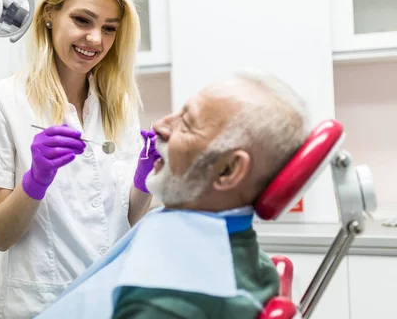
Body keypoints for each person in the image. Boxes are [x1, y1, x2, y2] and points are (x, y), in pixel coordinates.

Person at [0, 0, 159, 319]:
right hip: (42, 307)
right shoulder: (0, 102)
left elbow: (124, 220)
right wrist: (36, 180)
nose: (95, 39)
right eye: (82, 20)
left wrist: (144, 180)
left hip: (110, 301)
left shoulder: (119, 105)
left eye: (110, 28)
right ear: (50, 14)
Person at [35, 69, 310, 319]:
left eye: (186, 124)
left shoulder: (163, 302)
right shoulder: (241, 252)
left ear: (227, 171)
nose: (159, 127)